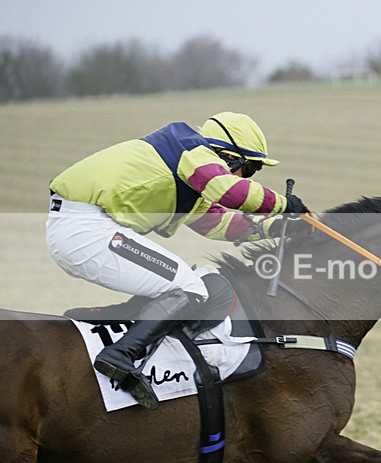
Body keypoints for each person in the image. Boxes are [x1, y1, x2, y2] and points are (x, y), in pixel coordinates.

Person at [46, 111, 308, 409]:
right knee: (189, 288)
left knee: (186, 283)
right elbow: (230, 192)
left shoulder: (189, 173)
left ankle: (99, 321)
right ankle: (120, 355)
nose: (246, 177)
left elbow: (219, 224)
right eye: (249, 170)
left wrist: (278, 228)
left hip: (84, 228)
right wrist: (284, 204)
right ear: (228, 156)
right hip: (87, 229)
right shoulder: (193, 151)